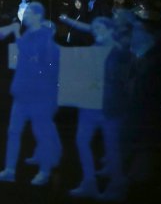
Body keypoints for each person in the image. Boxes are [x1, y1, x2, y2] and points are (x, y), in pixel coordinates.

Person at [0, 1, 61, 186]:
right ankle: (10, 170)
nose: (24, 15)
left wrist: (15, 32)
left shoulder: (44, 37)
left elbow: (33, 56)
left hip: (38, 95)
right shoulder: (29, 34)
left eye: (27, 12)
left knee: (41, 133)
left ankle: (44, 172)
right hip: (23, 92)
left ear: (37, 15)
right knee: (14, 132)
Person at [68, 17, 131, 200]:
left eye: (99, 28)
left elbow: (124, 81)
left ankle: (116, 187)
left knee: (112, 147)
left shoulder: (119, 52)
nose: (95, 31)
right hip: (91, 104)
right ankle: (89, 182)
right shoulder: (97, 49)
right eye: (93, 28)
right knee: (82, 141)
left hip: (110, 106)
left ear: (110, 30)